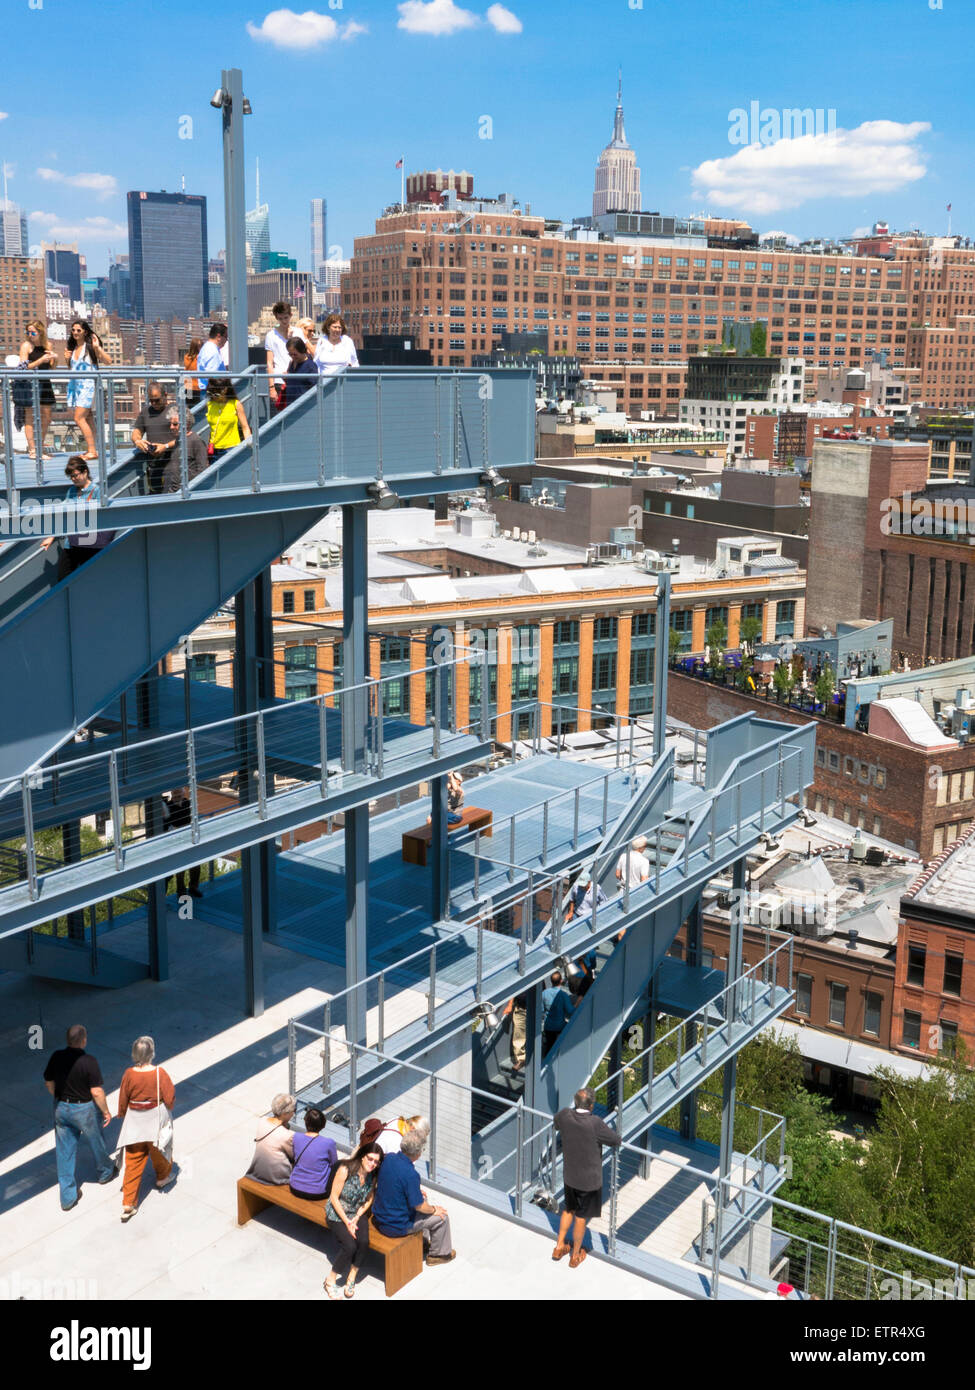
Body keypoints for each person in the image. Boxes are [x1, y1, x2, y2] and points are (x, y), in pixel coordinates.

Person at [43, 1024, 118, 1211]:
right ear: (83, 1040)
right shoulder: (89, 1061)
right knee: (96, 1141)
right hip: (84, 1109)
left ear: (68, 1040)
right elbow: (97, 1091)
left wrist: (57, 1097)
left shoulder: (56, 1057)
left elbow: (48, 1082)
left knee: (64, 1151)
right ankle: (105, 1172)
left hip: (61, 1107)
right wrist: (106, 1111)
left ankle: (67, 1197)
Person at [552, 1088, 621, 1268]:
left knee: (568, 1210)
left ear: (575, 1103)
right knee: (581, 1218)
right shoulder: (595, 1123)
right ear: (591, 1106)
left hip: (570, 1175)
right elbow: (615, 1140)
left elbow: (556, 1123)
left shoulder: (565, 1115)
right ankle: (575, 1255)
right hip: (588, 1180)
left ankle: (559, 1246)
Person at [115, 1035, 176, 1223]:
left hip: (135, 1121)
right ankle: (163, 1177)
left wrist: (122, 1113)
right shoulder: (160, 1073)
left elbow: (123, 1098)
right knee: (160, 1151)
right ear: (152, 1053)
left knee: (133, 1160)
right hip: (154, 1120)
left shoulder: (128, 1074)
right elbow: (170, 1099)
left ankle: (128, 1202)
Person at [372, 1130, 455, 1265]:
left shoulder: (389, 1158)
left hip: (381, 1217)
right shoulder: (411, 1174)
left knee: (423, 1199)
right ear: (418, 1153)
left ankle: (422, 1243)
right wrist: (434, 1209)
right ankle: (439, 1255)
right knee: (442, 1218)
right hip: (395, 1226)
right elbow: (419, 1206)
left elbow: (395, 1182)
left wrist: (415, 1191)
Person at [323, 1141, 383, 1299]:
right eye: (370, 1159)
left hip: (356, 1212)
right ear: (363, 1157)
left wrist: (357, 1217)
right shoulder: (346, 1169)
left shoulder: (372, 1176)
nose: (372, 1164)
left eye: (376, 1161)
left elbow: (369, 1198)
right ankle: (330, 1280)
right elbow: (334, 1198)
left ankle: (351, 1277)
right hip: (338, 1212)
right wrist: (347, 1222)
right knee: (349, 1246)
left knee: (363, 1242)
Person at [39, 458, 115, 580]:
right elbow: (64, 515)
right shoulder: (72, 491)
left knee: (90, 579)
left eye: (75, 475)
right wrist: (52, 536)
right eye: (71, 476)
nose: (73, 479)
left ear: (85, 472)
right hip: (72, 543)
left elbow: (104, 516)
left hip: (90, 544)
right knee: (63, 578)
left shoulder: (97, 491)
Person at [64, 319, 111, 460]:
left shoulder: (89, 347)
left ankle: (91, 450)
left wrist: (98, 348)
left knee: (78, 418)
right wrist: (67, 359)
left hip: (88, 386)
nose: (75, 332)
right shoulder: (73, 349)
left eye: (78, 330)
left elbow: (108, 361)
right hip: (77, 386)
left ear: (85, 331)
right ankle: (94, 449)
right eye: (73, 330)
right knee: (88, 418)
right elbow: (73, 369)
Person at [17, 320, 57, 460]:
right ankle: (32, 450)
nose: (29, 334)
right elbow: (22, 367)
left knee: (46, 417)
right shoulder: (26, 346)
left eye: (32, 332)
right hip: (30, 384)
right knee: (30, 417)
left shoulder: (48, 345)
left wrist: (54, 358)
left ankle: (40, 448)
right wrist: (40, 361)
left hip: (45, 383)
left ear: (40, 332)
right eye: (27, 332)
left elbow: (52, 367)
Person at [131, 382, 175, 494]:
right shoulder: (146, 411)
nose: (154, 403)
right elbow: (137, 431)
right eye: (151, 400)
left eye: (157, 400)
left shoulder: (175, 410)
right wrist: (137, 441)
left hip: (173, 463)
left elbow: (185, 436)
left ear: (165, 395)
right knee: (155, 493)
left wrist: (165, 446)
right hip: (154, 465)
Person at [244, 1094, 296, 1184]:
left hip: (256, 1173)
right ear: (285, 1113)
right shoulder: (288, 1135)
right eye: (293, 1110)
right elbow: (295, 1155)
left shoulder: (262, 1121)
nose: (294, 1113)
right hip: (277, 1180)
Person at [289, 1107, 337, 1201]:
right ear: (323, 1125)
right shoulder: (328, 1143)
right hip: (318, 1193)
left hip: (295, 1187)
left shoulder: (296, 1137)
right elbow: (334, 1163)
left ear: (306, 1122)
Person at [163, 788, 201, 898]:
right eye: (175, 793)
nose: (177, 795)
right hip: (176, 838)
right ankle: (181, 891)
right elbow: (167, 823)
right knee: (181, 866)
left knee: (195, 863)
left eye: (179, 793)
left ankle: (193, 887)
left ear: (183, 793)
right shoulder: (169, 806)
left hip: (189, 835)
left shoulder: (187, 803)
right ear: (171, 794)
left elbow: (193, 818)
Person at [161, 409, 210, 492]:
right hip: (174, 491)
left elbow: (203, 470)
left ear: (186, 424)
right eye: (171, 424)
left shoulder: (196, 441)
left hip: (187, 493)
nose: (171, 427)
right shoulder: (178, 440)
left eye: (175, 424)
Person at [265, 301, 301, 409]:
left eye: (286, 317)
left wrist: (291, 339)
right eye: (280, 318)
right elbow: (269, 363)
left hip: (297, 380)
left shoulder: (298, 332)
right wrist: (271, 387)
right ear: (276, 318)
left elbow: (303, 355)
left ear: (291, 316)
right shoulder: (271, 335)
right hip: (279, 381)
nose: (284, 321)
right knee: (277, 418)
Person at [206, 380, 251, 459]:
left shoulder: (235, 404)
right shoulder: (210, 404)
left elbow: (245, 427)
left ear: (225, 390)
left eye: (216, 394)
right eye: (210, 393)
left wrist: (248, 444)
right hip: (214, 449)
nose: (213, 396)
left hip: (231, 448)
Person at [541, 970, 576, 1057]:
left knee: (549, 1048)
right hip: (560, 1026)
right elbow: (570, 1010)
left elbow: (541, 1010)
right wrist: (577, 1002)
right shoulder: (563, 995)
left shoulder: (544, 993)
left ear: (551, 981)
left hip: (548, 1026)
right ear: (561, 981)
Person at [283, 336, 317, 406]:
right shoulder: (292, 363)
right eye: (290, 354)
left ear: (302, 351)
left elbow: (314, 388)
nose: (292, 356)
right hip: (290, 404)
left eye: (295, 354)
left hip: (304, 406)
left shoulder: (310, 366)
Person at [196, 323, 229, 392]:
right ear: (219, 337)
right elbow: (212, 376)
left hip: (207, 391)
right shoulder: (213, 352)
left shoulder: (207, 347)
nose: (226, 340)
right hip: (213, 393)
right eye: (226, 337)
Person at [183, 338, 202, 407]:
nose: (201, 348)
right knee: (196, 407)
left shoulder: (187, 357)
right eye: (199, 346)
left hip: (189, 385)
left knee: (191, 407)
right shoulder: (199, 357)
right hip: (195, 386)